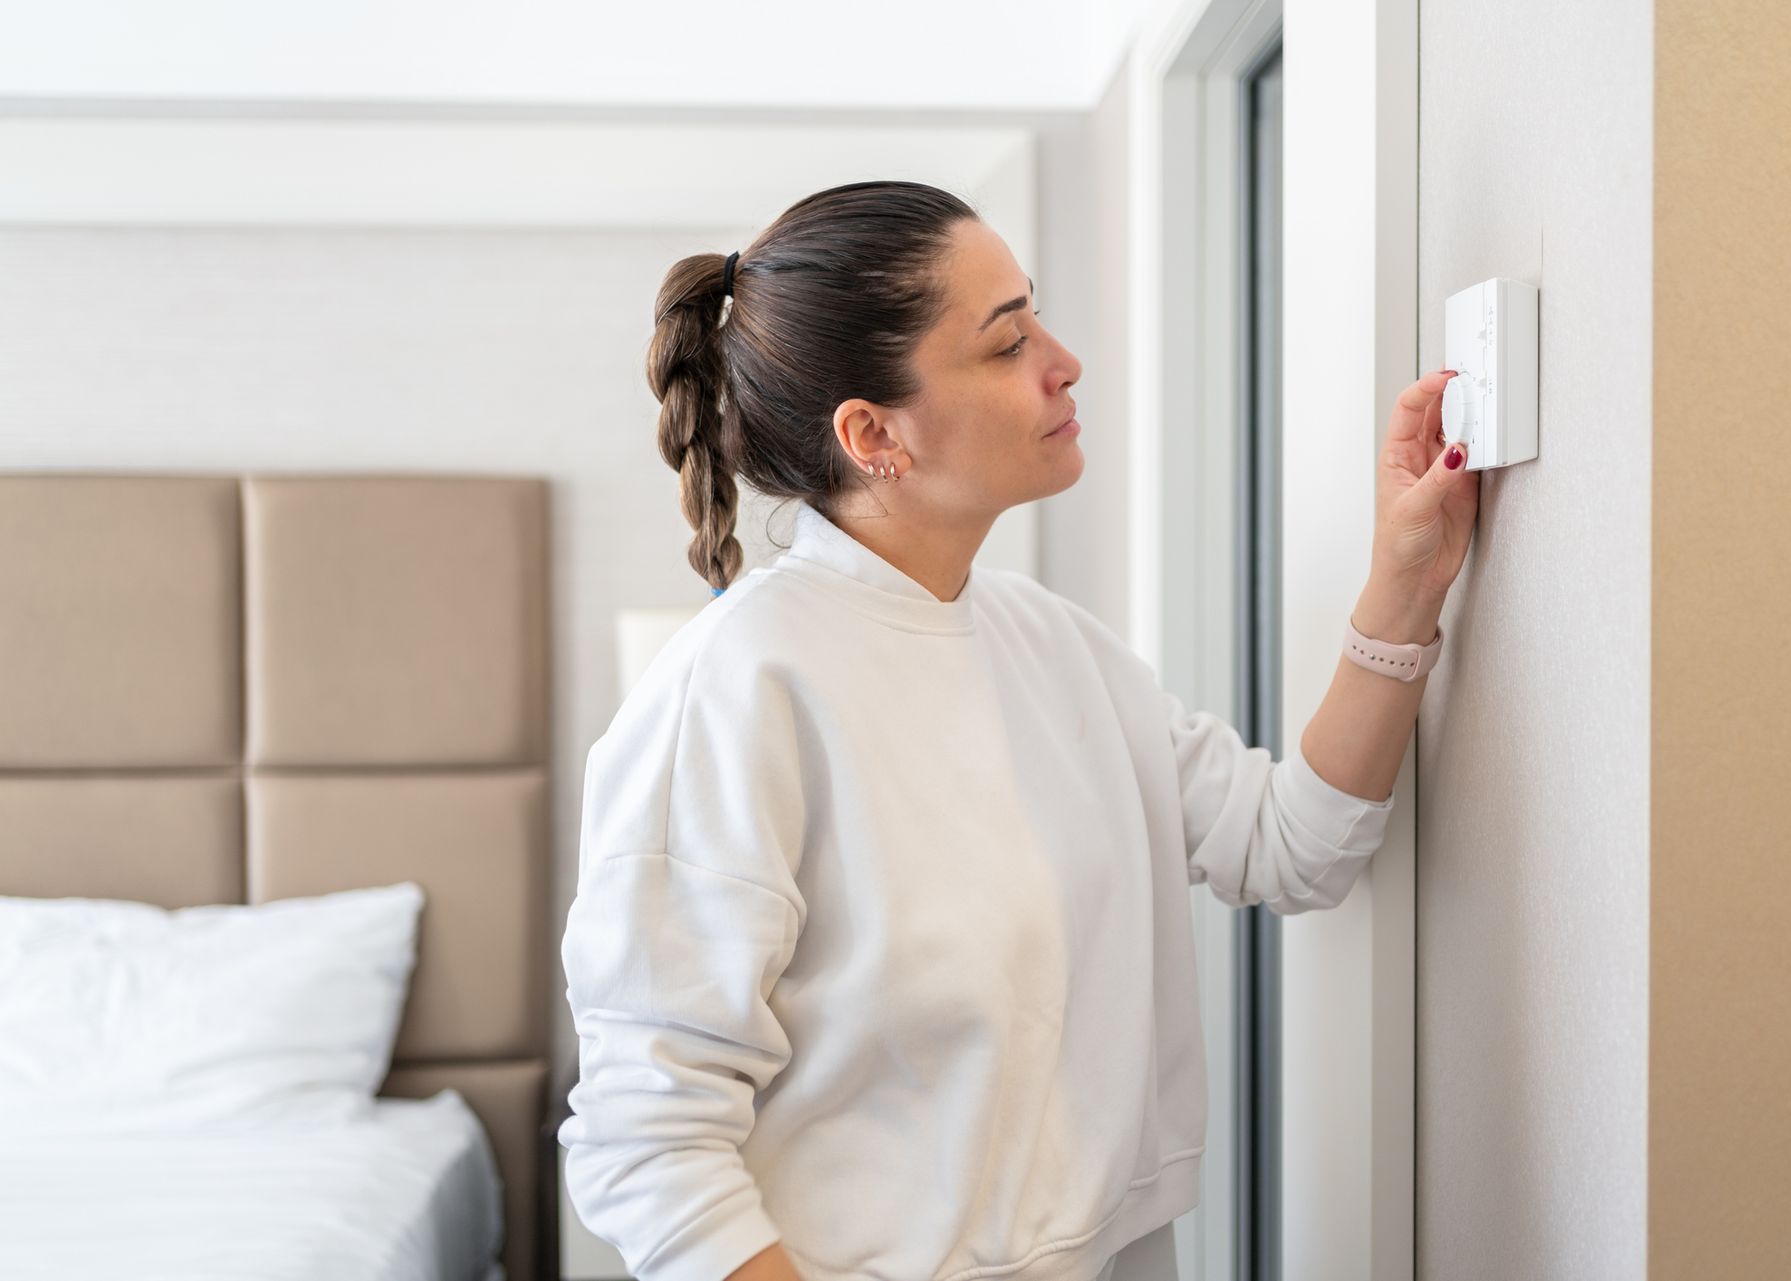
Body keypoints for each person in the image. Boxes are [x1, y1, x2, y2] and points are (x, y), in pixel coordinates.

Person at [557, 179, 1479, 1281]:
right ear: (874, 434)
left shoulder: (1054, 647)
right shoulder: (735, 690)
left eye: (1033, 316)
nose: (1063, 359)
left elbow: (1296, 845)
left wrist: (1406, 581)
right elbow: (647, 1141)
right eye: (1007, 344)